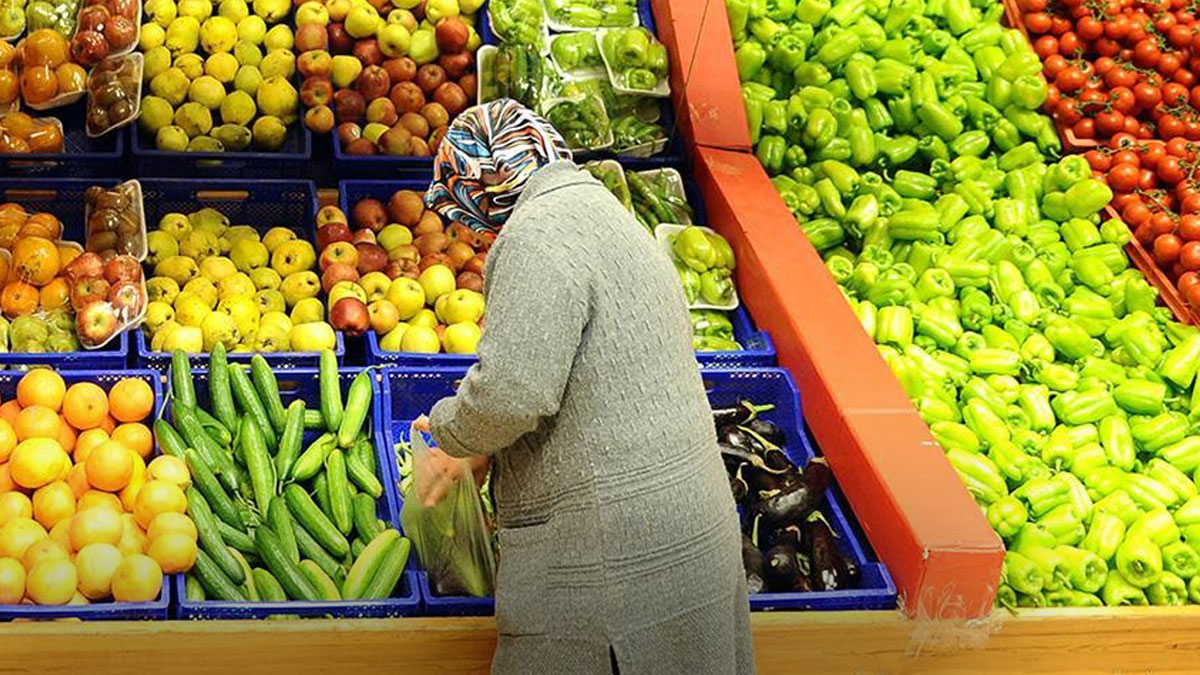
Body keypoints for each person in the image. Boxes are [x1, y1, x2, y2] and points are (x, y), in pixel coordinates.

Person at [412, 99, 755, 675]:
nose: (468, 229)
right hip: (688, 531)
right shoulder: (605, 210)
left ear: (482, 186)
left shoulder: (536, 235)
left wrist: (452, 432)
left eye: (464, 209)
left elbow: (513, 391)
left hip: (614, 553)